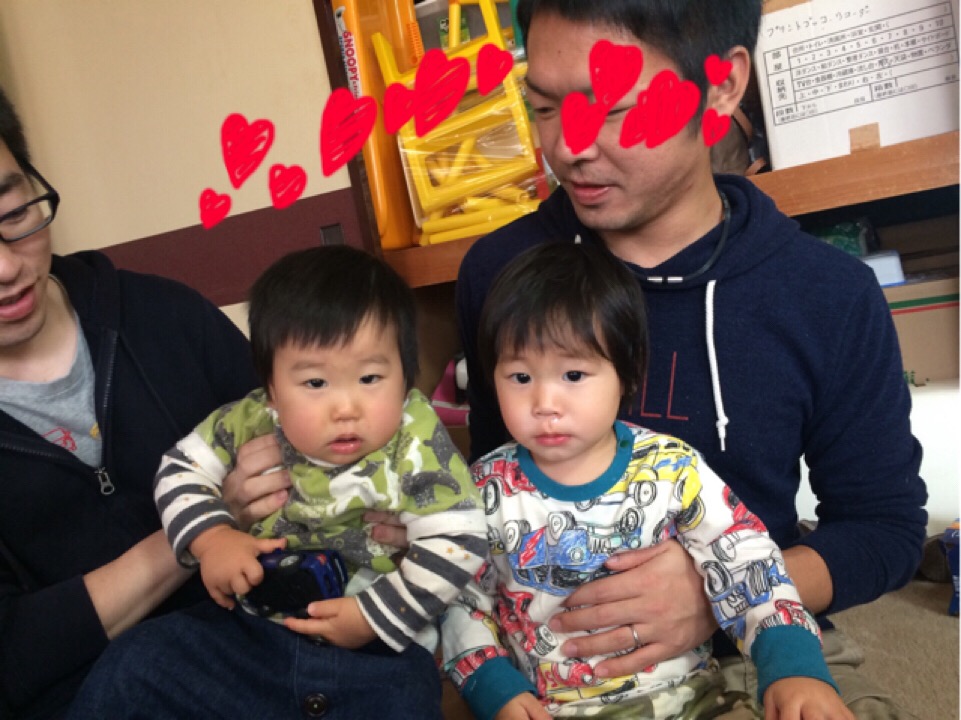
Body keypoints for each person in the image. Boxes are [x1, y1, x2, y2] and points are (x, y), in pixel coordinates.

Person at [448, 1, 928, 717]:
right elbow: (492, 500)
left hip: (761, 632)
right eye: (545, 107)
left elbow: (885, 530)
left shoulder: (827, 293)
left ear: (721, 85)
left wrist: (715, 589)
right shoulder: (503, 274)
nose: (569, 147)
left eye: (613, 109)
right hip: (555, 662)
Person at [68, 245, 488, 719]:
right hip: (249, 628)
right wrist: (213, 538)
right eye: (315, 383)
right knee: (135, 664)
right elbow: (179, 470)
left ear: (406, 379)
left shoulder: (414, 434)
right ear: (270, 389)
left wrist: (373, 616)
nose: (346, 408)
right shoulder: (249, 419)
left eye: (370, 378)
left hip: (374, 643)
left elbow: (461, 536)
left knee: (406, 700)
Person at [441, 241, 854, 720]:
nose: (545, 403)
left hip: (693, 698)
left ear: (627, 374)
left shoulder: (671, 469)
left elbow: (746, 560)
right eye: (519, 377)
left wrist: (793, 666)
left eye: (573, 374)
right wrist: (495, 690)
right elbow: (458, 599)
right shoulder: (483, 490)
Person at [0, 87, 295, 719]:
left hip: (267, 666)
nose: (5, 267)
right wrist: (203, 525)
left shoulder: (163, 315)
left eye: (12, 212)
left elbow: (297, 438)